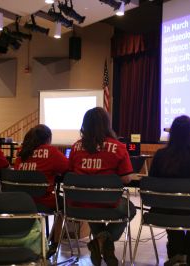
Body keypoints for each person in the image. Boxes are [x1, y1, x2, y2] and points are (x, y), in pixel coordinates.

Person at [68, 107, 136, 266]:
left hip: (78, 206)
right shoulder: (118, 147)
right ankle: (104, 241)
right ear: (107, 125)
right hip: (108, 204)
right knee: (130, 209)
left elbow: (69, 174)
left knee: (91, 203)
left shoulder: (75, 147)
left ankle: (99, 242)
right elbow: (126, 179)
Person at [149, 115, 190, 266]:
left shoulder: (160, 155)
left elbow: (152, 182)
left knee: (174, 210)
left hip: (162, 211)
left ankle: (177, 253)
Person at [14, 124, 69, 257]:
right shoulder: (51, 151)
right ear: (47, 139)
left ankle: (38, 239)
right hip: (44, 201)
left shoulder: (21, 153)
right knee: (64, 205)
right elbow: (68, 168)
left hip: (22, 202)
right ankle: (54, 244)